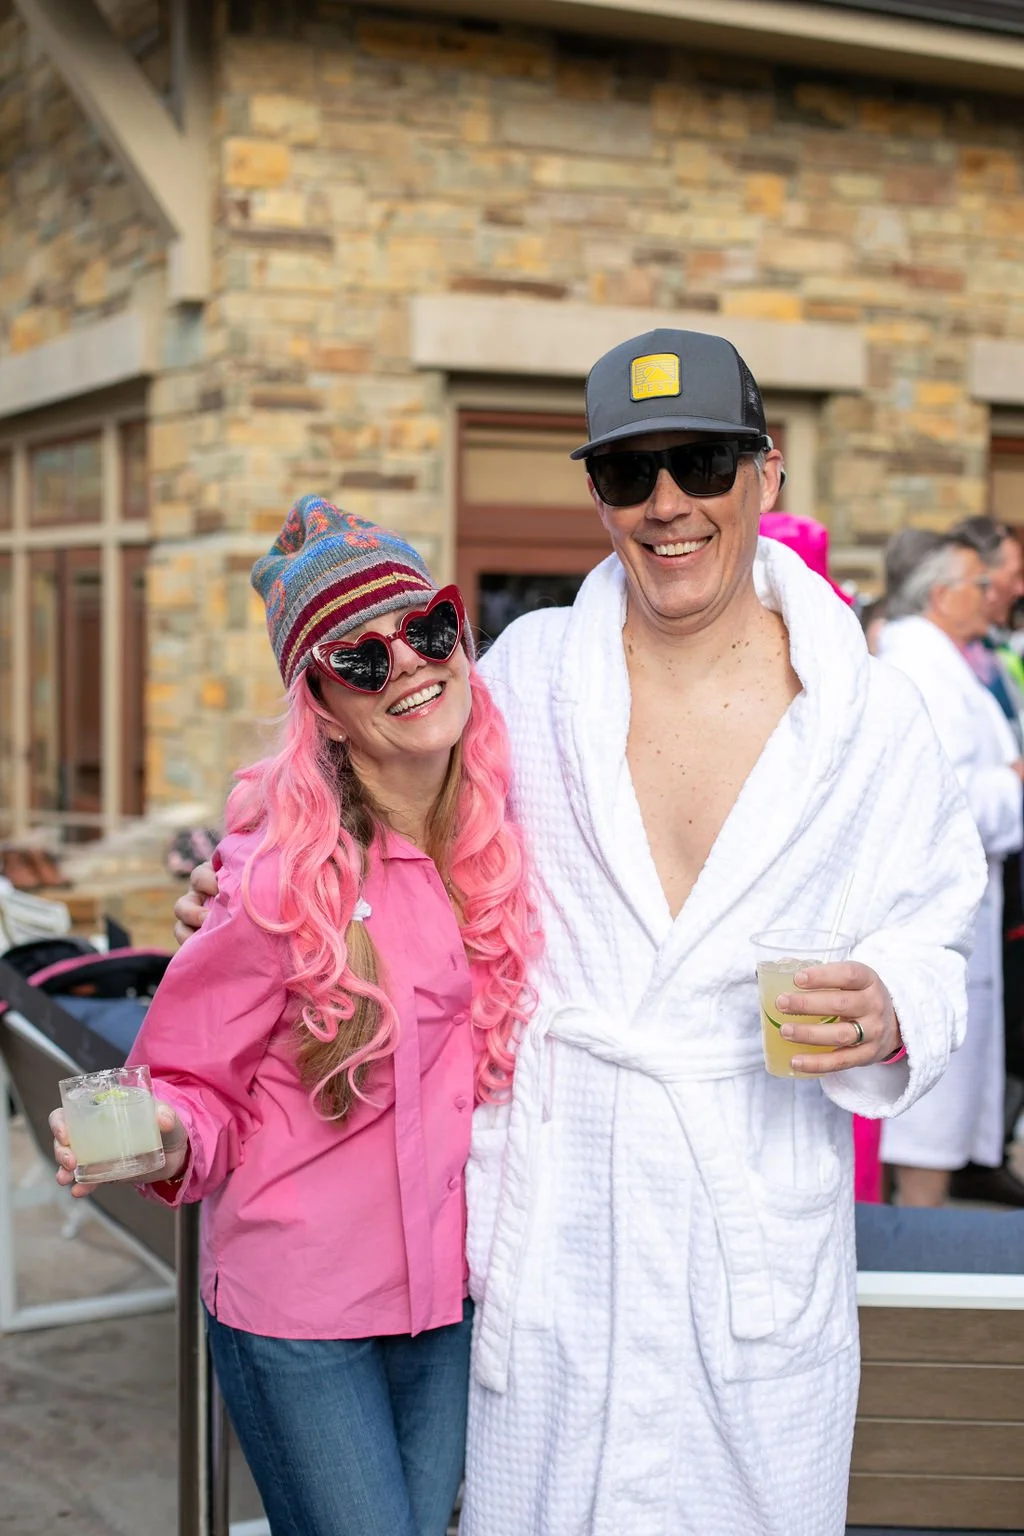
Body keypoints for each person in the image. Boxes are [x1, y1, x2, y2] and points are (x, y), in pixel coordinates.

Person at [176, 332, 986, 1536]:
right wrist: (250, 883)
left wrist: (894, 1004)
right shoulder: (530, 671)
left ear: (765, 471)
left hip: (746, 1233)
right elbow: (379, 797)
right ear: (599, 497)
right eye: (626, 472)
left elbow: (937, 924)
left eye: (701, 463)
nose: (666, 504)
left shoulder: (871, 718)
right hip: (558, 1226)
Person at [49, 498, 539, 1536]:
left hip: (452, 1303)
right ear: (321, 704)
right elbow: (190, 1083)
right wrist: (163, 1130)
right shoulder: (275, 877)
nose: (409, 666)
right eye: (360, 658)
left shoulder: (506, 840)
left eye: (429, 628)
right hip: (302, 1315)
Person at [876, 537, 1024, 1207]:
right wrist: (1015, 778)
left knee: (940, 1106)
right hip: (931, 911)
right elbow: (950, 801)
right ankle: (913, 1239)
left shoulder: (952, 659)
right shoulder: (919, 664)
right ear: (941, 595)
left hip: (964, 907)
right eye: (978, 583)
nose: (991, 593)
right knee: (926, 1116)